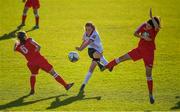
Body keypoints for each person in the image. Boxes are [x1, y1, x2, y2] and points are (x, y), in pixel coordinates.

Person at [105, 8, 161, 104]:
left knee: (148, 74)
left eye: (149, 26)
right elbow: (135, 33)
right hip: (139, 50)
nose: (147, 27)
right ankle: (109, 65)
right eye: (147, 25)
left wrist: (152, 18)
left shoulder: (155, 30)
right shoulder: (144, 25)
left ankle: (150, 94)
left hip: (149, 54)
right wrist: (142, 37)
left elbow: (157, 27)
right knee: (122, 57)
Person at [76, 22, 111, 92]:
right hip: (91, 50)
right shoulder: (85, 33)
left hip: (99, 50)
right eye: (86, 29)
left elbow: (88, 42)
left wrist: (81, 49)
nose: (87, 31)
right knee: (95, 57)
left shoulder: (95, 34)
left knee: (91, 69)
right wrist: (80, 47)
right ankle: (106, 65)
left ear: (92, 29)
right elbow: (84, 41)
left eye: (89, 29)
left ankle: (106, 66)